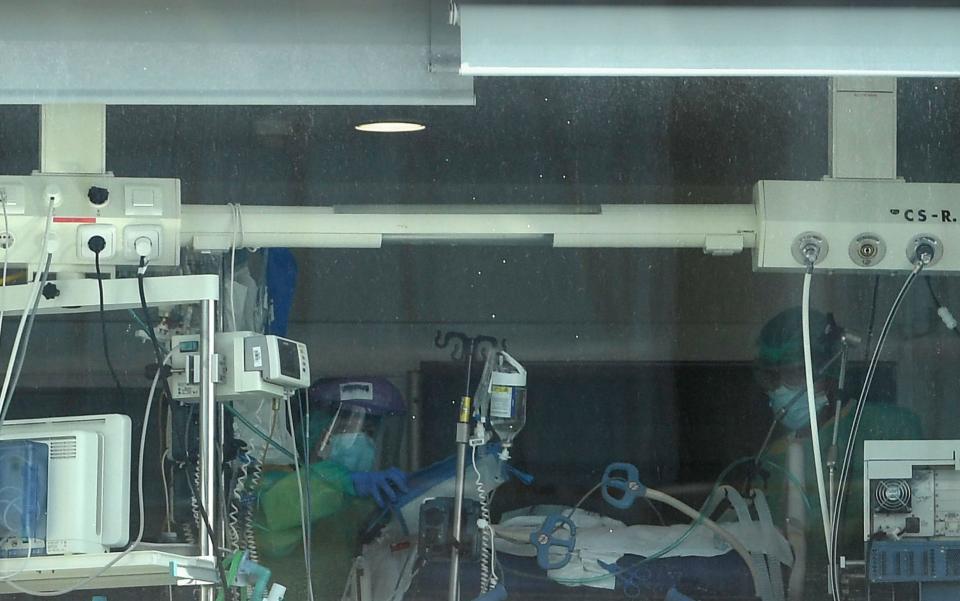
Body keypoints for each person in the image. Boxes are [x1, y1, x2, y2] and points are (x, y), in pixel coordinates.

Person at [753, 307, 922, 599]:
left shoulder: (887, 428)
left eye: (794, 374)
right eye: (771, 378)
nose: (780, 388)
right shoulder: (770, 461)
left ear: (828, 373)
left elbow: (915, 527)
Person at [256, 377, 409, 599]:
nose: (361, 439)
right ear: (313, 427)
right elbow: (278, 509)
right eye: (347, 427)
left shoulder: (365, 503)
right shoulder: (275, 479)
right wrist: (344, 482)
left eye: (369, 431)